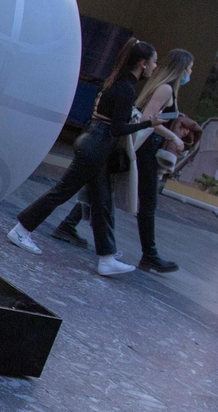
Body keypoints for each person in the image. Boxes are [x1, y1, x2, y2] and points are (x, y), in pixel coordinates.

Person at [9, 38, 158, 276]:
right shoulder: (127, 89)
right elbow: (118, 128)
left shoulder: (113, 82)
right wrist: (149, 123)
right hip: (97, 147)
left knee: (101, 202)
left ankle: (106, 258)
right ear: (142, 63)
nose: (154, 67)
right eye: (153, 63)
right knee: (64, 191)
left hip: (92, 142)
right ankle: (21, 229)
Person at [54, 48, 193, 272]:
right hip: (143, 149)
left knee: (102, 191)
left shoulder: (165, 88)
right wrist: (174, 137)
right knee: (143, 201)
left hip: (143, 147)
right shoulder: (166, 89)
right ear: (181, 68)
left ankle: (68, 224)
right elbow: (150, 120)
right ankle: (149, 254)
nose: (191, 72)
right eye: (190, 67)